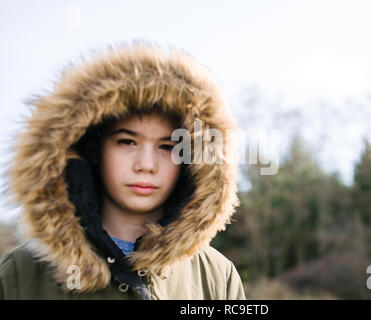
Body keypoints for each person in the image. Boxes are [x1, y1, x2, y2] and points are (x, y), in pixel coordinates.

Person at [0, 42, 245, 300]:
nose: (146, 165)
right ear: (93, 148)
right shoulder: (20, 275)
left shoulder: (217, 278)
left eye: (166, 147)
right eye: (127, 142)